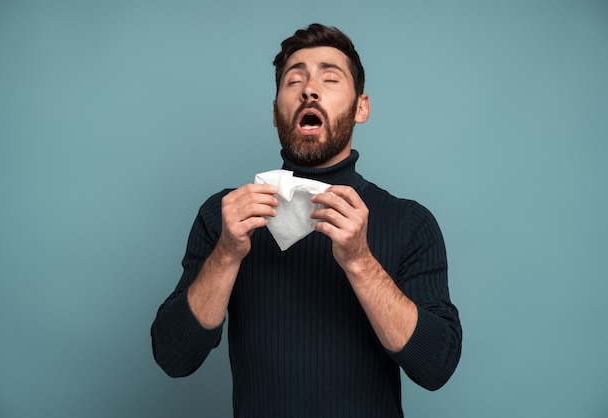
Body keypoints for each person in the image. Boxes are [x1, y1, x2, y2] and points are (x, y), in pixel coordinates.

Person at [151, 23, 462, 417]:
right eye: (293, 80)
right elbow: (173, 357)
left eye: (330, 78)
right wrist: (227, 254)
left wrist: (360, 263)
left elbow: (436, 366)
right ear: (275, 112)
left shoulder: (409, 223)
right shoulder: (225, 216)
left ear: (361, 107)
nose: (309, 89)